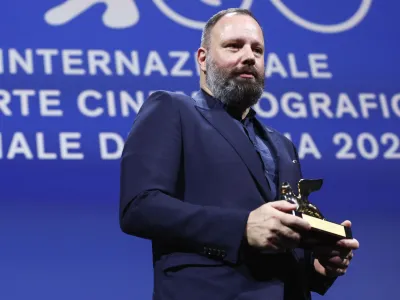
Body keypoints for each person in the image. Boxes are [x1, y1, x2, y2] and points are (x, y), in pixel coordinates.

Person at [119, 8, 359, 300]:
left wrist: (317, 265)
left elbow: (279, 237)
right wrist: (241, 228)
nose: (249, 56)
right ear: (203, 59)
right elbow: (139, 207)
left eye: (257, 49)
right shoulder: (172, 110)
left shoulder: (282, 145)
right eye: (234, 46)